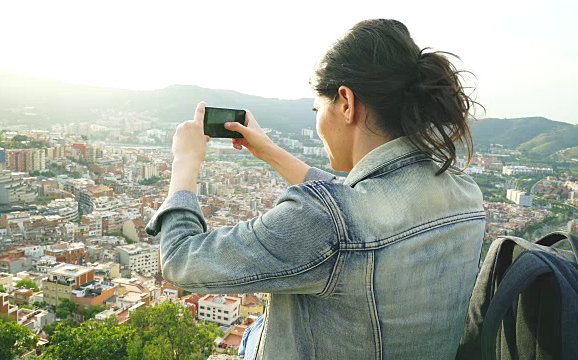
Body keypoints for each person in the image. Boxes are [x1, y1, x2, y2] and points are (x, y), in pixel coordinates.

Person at [146, 19, 485, 360]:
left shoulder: (326, 220)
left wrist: (185, 162)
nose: (317, 122)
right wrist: (268, 151)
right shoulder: (466, 195)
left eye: (316, 109)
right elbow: (360, 204)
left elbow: (180, 260)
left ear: (346, 102)